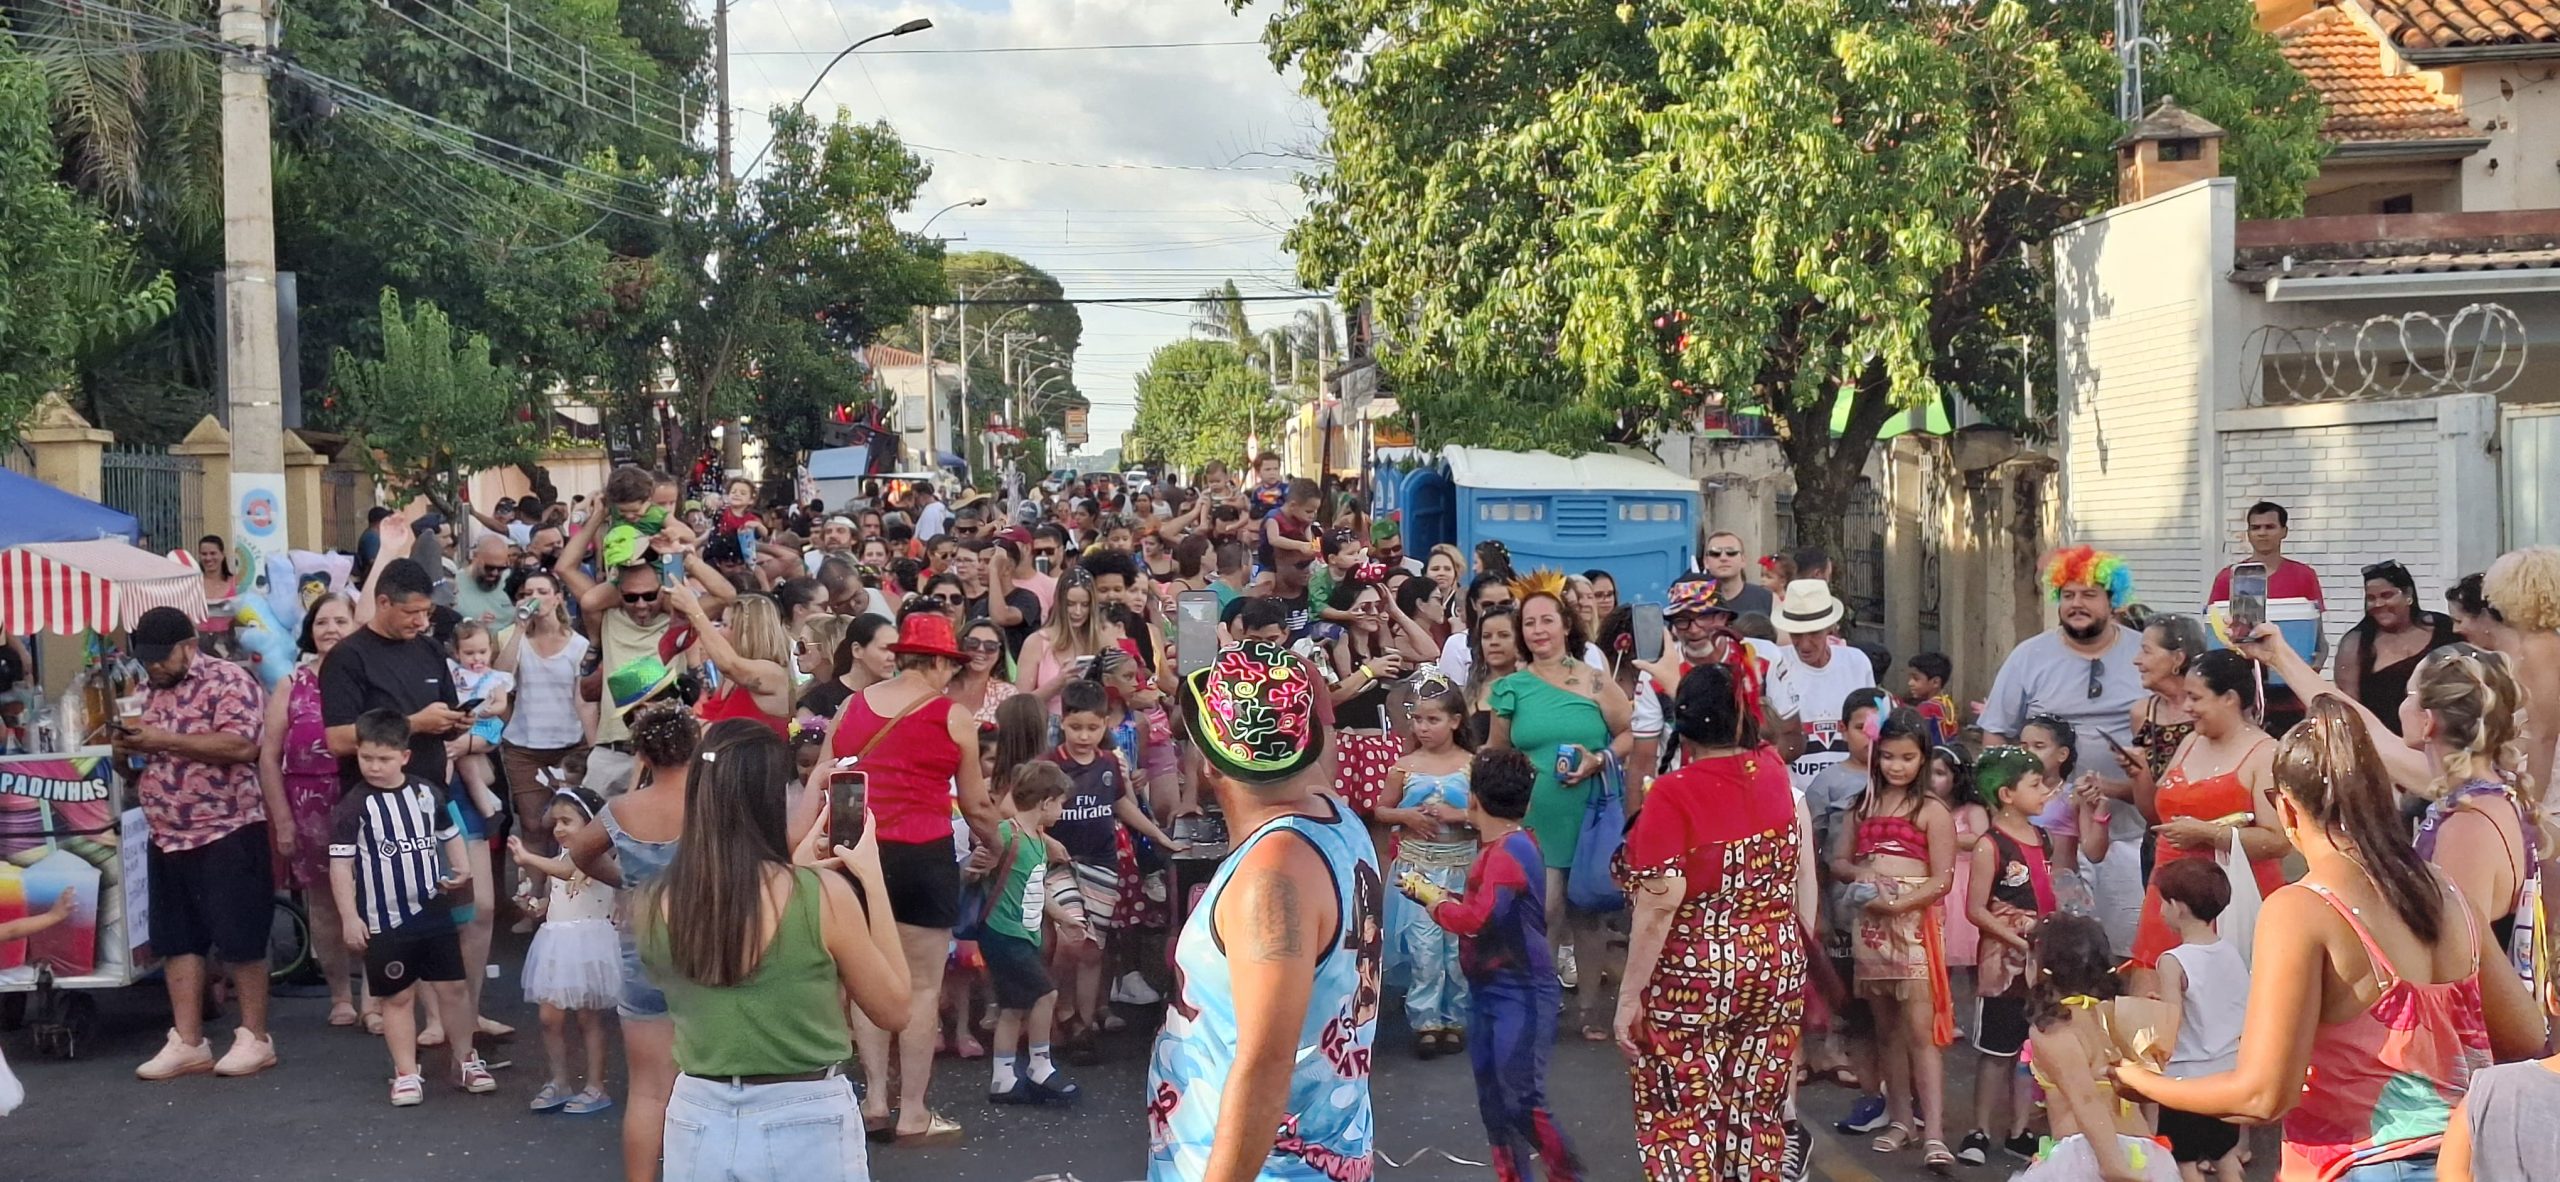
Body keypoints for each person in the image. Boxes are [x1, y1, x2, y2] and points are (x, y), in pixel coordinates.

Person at [2115, 697, 2547, 1181]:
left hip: (2358, 1166)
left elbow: (2262, 1096)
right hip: (2467, 1159)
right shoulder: (2447, 892)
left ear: (2286, 809)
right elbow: (2526, 1036)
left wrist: (2144, 1083)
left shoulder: (2303, 908)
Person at [637, 723, 912, 1182]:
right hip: (804, 1114)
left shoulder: (652, 901)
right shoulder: (821, 895)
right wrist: (871, 877)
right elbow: (895, 1007)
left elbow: (734, 927)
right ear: (770, 799)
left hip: (698, 1111)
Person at [1150, 640, 1381, 1182]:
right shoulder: (1331, 813)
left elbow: (1264, 1067)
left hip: (1268, 1168)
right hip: (1318, 1150)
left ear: (1208, 762)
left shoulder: (1273, 877)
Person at [1615, 657, 1815, 1181]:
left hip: (1694, 976)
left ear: (1683, 726)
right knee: (1755, 1115)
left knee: (1681, 1118)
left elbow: (1659, 906)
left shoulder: (1674, 794)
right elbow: (1734, 728)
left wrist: (1629, 998)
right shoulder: (1773, 771)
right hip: (1775, 967)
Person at [818, 611, 999, 1146]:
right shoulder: (952, 716)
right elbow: (975, 804)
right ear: (940, 661)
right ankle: (913, 1110)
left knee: (865, 981)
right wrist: (999, 844)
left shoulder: (852, 705)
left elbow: (824, 776)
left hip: (857, 855)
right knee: (922, 988)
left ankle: (874, 1098)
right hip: (924, 856)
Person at [118, 606, 284, 1081]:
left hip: (227, 827)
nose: (152, 667)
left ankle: (255, 1037)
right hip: (167, 833)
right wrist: (126, 751)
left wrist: (160, 739)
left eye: (161, 658)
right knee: (177, 939)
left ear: (189, 647)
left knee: (241, 937)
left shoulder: (228, 681)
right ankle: (188, 1040)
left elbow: (241, 747)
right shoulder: (145, 690)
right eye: (144, 659)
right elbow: (137, 761)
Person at [1402, 747, 1581, 1181]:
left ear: (1474, 802)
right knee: (1495, 1102)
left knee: (1520, 1099)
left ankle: (1566, 1174)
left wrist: (1430, 897)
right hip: (1492, 988)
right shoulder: (1507, 844)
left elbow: (1476, 919)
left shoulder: (1505, 853)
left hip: (1519, 992)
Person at [1979, 546, 2148, 956]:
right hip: (2048, 841)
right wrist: (2005, 815)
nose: (2077, 604)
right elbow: (1995, 735)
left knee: (2130, 950)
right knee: (2060, 951)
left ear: (2113, 600)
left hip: (2132, 832)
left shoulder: (2144, 653)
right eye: (2068, 594)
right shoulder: (2028, 657)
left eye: (2089, 594)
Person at [329, 708, 491, 1105]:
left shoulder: (424, 792)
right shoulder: (354, 805)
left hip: (432, 907)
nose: (374, 767)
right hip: (384, 917)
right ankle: (405, 1072)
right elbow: (341, 864)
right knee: (396, 997)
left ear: (404, 756)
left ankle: (465, 1058)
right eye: (366, 758)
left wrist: (463, 868)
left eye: (384, 759)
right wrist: (350, 917)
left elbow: (449, 831)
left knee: (452, 987)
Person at [564, 700, 696, 1182]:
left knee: (647, 1089)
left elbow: (580, 851)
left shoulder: (622, 808)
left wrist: (625, 882)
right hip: (705, 947)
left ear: (642, 752)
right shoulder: (710, 805)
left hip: (642, 945)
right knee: (701, 1085)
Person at [1488, 583, 1631, 1019]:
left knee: (1588, 911)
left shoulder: (1595, 681)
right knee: (1543, 909)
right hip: (1534, 813)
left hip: (1589, 811)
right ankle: (1542, 1002)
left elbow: (1629, 734)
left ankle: (1589, 1008)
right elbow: (1496, 751)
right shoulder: (1511, 687)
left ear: (1567, 625)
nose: (1537, 630)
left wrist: (1598, 759)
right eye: (1528, 623)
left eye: (1547, 619)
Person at [1829, 705, 1957, 1168]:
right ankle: (1901, 1119)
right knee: (1886, 1030)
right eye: (1888, 757)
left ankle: (1934, 1133)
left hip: (1913, 926)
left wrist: (1899, 904)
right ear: (1875, 756)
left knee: (1921, 1033)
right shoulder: (1862, 806)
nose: (1896, 766)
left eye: (1906, 757)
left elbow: (1942, 880)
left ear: (1922, 758)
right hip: (1871, 926)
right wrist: (1861, 876)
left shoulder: (1931, 811)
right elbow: (1839, 862)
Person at [2123, 649, 2289, 982]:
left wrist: (2210, 835)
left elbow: (2279, 840)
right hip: (2168, 895)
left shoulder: (2264, 753)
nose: (2186, 708)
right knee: (2156, 1004)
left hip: (2228, 901)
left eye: (2195, 698)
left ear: (2228, 698)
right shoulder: (2189, 742)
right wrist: (2139, 775)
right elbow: (2159, 814)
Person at [2012, 914, 2178, 1182]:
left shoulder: (2053, 1030)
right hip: (2143, 1150)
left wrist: (2112, 1165)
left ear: (2042, 968)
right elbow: (2147, 1088)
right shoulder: (2119, 1014)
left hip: (2090, 1155)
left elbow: (2085, 1098)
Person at [260, 591, 360, 1026]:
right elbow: (268, 755)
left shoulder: (366, 678)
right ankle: (340, 995)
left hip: (361, 799)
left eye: (341, 621)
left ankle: (377, 997)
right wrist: (282, 819)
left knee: (374, 901)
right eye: (322, 622)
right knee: (323, 904)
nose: (331, 629)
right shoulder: (291, 683)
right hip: (309, 806)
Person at [1961, 747, 2059, 1164]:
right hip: (2003, 966)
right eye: (2035, 785)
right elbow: (1975, 908)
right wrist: (2019, 941)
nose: (2045, 792)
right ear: (2005, 794)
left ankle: (2019, 1130)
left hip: (2042, 963)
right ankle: (1979, 1129)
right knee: (1996, 1053)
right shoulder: (1990, 845)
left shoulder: (2043, 838)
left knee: (2029, 1052)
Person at [1375, 674, 1476, 1056]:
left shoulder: (1471, 764)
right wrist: (1407, 817)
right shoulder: (1404, 766)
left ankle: (1455, 1017)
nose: (1424, 727)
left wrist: (1459, 815)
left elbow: (1485, 814)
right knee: (1425, 948)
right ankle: (1425, 1020)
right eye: (1418, 720)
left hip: (1460, 865)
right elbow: (1381, 809)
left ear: (1455, 721)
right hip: (1419, 869)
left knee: (1458, 947)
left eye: (1433, 720)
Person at [506, 788, 621, 1115]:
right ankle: (559, 1080)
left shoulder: (599, 858)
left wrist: (528, 858)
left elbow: (571, 871)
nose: (558, 829)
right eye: (555, 822)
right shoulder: (559, 858)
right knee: (549, 1017)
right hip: (557, 943)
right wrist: (533, 905)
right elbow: (553, 900)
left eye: (567, 821)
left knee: (589, 1018)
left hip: (588, 945)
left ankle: (595, 1085)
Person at [977, 762, 1086, 1106]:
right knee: (1045, 994)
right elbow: (977, 865)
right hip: (1003, 932)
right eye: (1061, 803)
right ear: (1045, 801)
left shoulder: (1037, 841)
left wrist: (1063, 918)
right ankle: (1040, 1066)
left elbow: (1038, 888)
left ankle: (1003, 1079)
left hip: (1020, 933)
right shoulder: (1008, 835)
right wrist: (972, 866)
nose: (1062, 810)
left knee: (1013, 1007)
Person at [2150, 858, 2249, 1182]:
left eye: (2163, 903)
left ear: (2178, 907)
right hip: (2227, 1073)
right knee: (2226, 1156)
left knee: (2185, 1160)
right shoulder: (2230, 952)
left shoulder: (2173, 961)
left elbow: (2170, 1021)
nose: (2161, 910)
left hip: (2186, 1078)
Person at [497, 571, 593, 853]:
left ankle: (564, 892)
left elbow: (583, 700)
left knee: (570, 823)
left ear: (558, 599)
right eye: (528, 593)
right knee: (533, 825)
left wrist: (592, 746)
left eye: (541, 592)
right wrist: (518, 628)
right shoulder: (517, 641)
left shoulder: (578, 645)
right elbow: (500, 679)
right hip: (525, 749)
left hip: (570, 745)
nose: (534, 599)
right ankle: (535, 893)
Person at [1768, 579, 1881, 787]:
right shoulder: (1775, 665)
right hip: (1795, 793)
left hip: (1852, 791)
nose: (1804, 644)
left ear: (1830, 628)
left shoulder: (1856, 663)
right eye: (1796, 634)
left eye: (1813, 633)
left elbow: (1873, 727)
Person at [2337, 560, 2459, 733]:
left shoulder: (2444, 628)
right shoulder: (2356, 644)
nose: (2378, 604)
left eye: (2387, 595)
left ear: (2408, 594)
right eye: (2371, 598)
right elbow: (2349, 708)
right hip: (2388, 745)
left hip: (2447, 737)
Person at [671, 587, 792, 735]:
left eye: (726, 625)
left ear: (748, 632)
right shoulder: (730, 678)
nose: (719, 632)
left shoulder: (773, 674)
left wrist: (693, 610)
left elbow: (730, 665)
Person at [445, 620, 514, 822]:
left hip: (484, 726)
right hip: (461, 725)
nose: (477, 658)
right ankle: (443, 793)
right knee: (457, 761)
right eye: (469, 653)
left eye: (482, 652)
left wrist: (492, 709)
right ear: (457, 653)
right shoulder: (455, 674)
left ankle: (488, 812)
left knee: (461, 760)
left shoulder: (495, 678)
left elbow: (501, 702)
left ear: (490, 650)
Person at [2129, 613, 2209, 783]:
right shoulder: (2142, 714)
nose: (2136, 660)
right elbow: (2145, 799)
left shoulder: (2211, 711)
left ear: (2178, 658)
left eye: (2146, 651)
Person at [1018, 572, 1114, 709]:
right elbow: (1019, 705)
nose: (1078, 612)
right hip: (1046, 725)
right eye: (1070, 604)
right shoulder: (1036, 642)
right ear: (1060, 603)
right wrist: (1058, 683)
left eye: (1085, 604)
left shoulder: (1104, 641)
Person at [947, 617, 1023, 725]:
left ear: (999, 653)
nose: (981, 649)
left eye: (990, 646)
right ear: (961, 646)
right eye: (973, 643)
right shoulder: (941, 685)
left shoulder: (1007, 693)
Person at [1704, 530, 1778, 615]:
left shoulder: (1769, 600)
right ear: (1706, 562)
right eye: (1715, 553)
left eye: (1731, 552)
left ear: (1743, 559)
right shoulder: (1693, 600)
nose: (1723, 558)